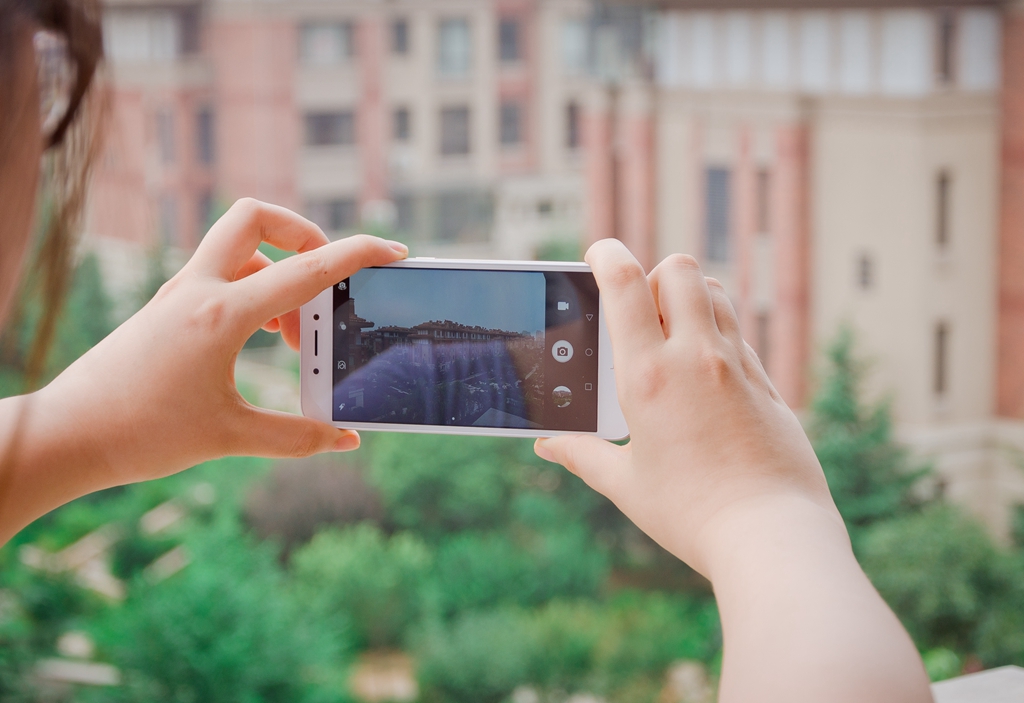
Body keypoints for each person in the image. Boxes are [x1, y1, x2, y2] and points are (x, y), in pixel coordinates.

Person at [0, 2, 933, 701]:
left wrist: (80, 431)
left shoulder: (426, 363)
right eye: (39, 104)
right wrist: (765, 517)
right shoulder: (421, 365)